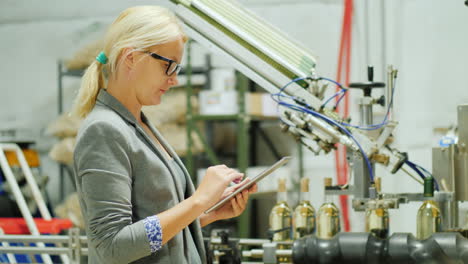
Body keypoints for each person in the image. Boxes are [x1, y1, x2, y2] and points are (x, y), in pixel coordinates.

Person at [72, 6, 257, 264]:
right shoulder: (104, 130)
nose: (174, 80)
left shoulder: (140, 126)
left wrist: (206, 211)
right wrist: (197, 201)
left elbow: (152, 224)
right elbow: (113, 247)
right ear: (131, 58)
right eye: (168, 66)